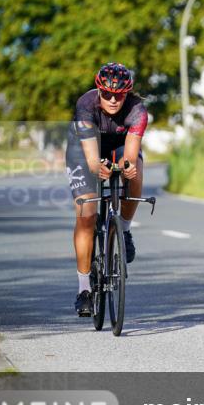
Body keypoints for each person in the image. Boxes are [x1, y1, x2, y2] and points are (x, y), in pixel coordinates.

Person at [65, 63, 147, 317]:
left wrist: (127, 167)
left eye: (119, 95)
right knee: (86, 213)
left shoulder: (137, 111)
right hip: (85, 148)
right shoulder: (86, 105)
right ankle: (84, 289)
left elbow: (130, 155)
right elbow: (91, 159)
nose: (113, 99)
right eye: (107, 94)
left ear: (128, 93)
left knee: (135, 175)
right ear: (98, 90)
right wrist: (97, 167)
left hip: (119, 146)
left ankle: (123, 228)